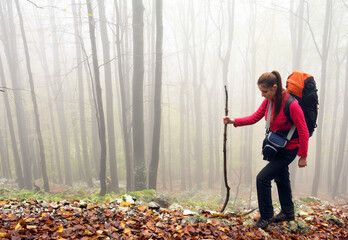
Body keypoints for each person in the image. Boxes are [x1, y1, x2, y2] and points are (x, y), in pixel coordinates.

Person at [223, 71, 309, 229]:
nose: (262, 95)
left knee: (262, 178)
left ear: (275, 87)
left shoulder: (292, 104)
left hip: (289, 149)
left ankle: (267, 215)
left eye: (265, 91)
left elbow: (303, 130)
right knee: (281, 177)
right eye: (261, 91)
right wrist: (233, 121)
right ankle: (288, 212)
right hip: (277, 147)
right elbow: (254, 117)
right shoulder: (269, 102)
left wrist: (303, 155)